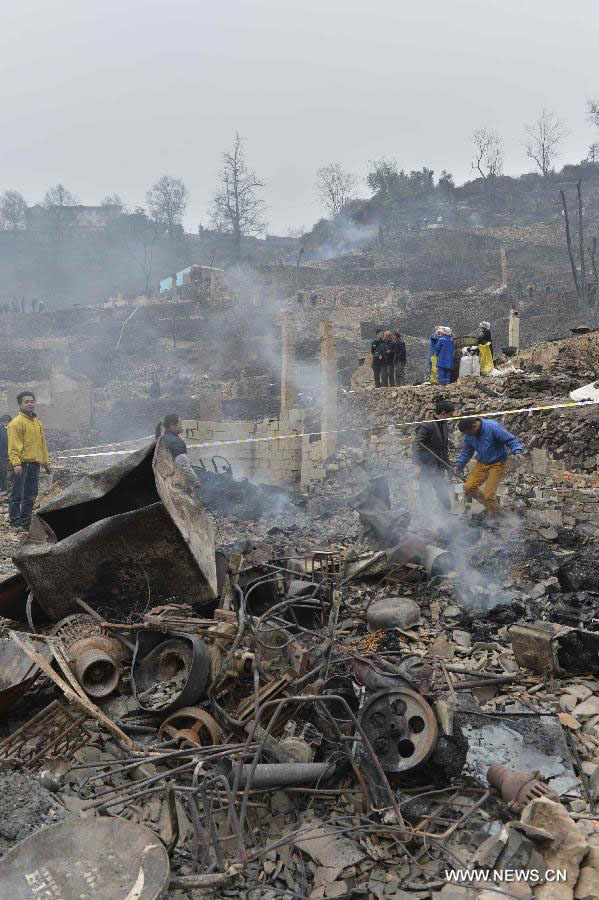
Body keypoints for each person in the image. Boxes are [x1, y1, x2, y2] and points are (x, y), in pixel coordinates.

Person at [455, 417, 524, 514]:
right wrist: (458, 465)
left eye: (469, 433)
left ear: (474, 426)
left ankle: (496, 517)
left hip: (498, 463)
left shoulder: (493, 427)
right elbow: (466, 451)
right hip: (482, 463)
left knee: (489, 495)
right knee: (469, 487)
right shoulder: (469, 434)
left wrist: (517, 451)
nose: (468, 436)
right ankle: (492, 508)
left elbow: (510, 440)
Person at [8, 391, 51, 531]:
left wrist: (46, 463)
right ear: (20, 404)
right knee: (17, 494)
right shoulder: (16, 423)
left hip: (35, 464)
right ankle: (15, 523)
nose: (30, 404)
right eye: (26, 401)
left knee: (31, 495)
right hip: (22, 464)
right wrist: (16, 463)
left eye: (32, 401)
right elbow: (14, 445)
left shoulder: (37, 423)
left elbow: (42, 444)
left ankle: (25, 523)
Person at [413, 399, 455, 513]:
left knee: (443, 495)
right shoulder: (427, 426)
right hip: (426, 467)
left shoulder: (445, 426)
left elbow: (444, 449)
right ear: (443, 413)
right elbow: (416, 445)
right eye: (449, 415)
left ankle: (447, 519)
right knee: (426, 496)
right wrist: (417, 465)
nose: (450, 418)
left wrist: (449, 468)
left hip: (439, 468)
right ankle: (426, 522)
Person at [156, 414, 199, 487]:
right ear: (172, 425)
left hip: (161, 481)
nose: (181, 427)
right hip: (174, 483)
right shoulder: (177, 442)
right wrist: (195, 480)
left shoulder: (160, 439)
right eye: (180, 424)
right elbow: (183, 465)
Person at [0, 415, 11, 493]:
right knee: (3, 471)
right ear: (7, 422)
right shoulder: (2, 429)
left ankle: (3, 487)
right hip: (2, 455)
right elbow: (4, 442)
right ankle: (3, 487)